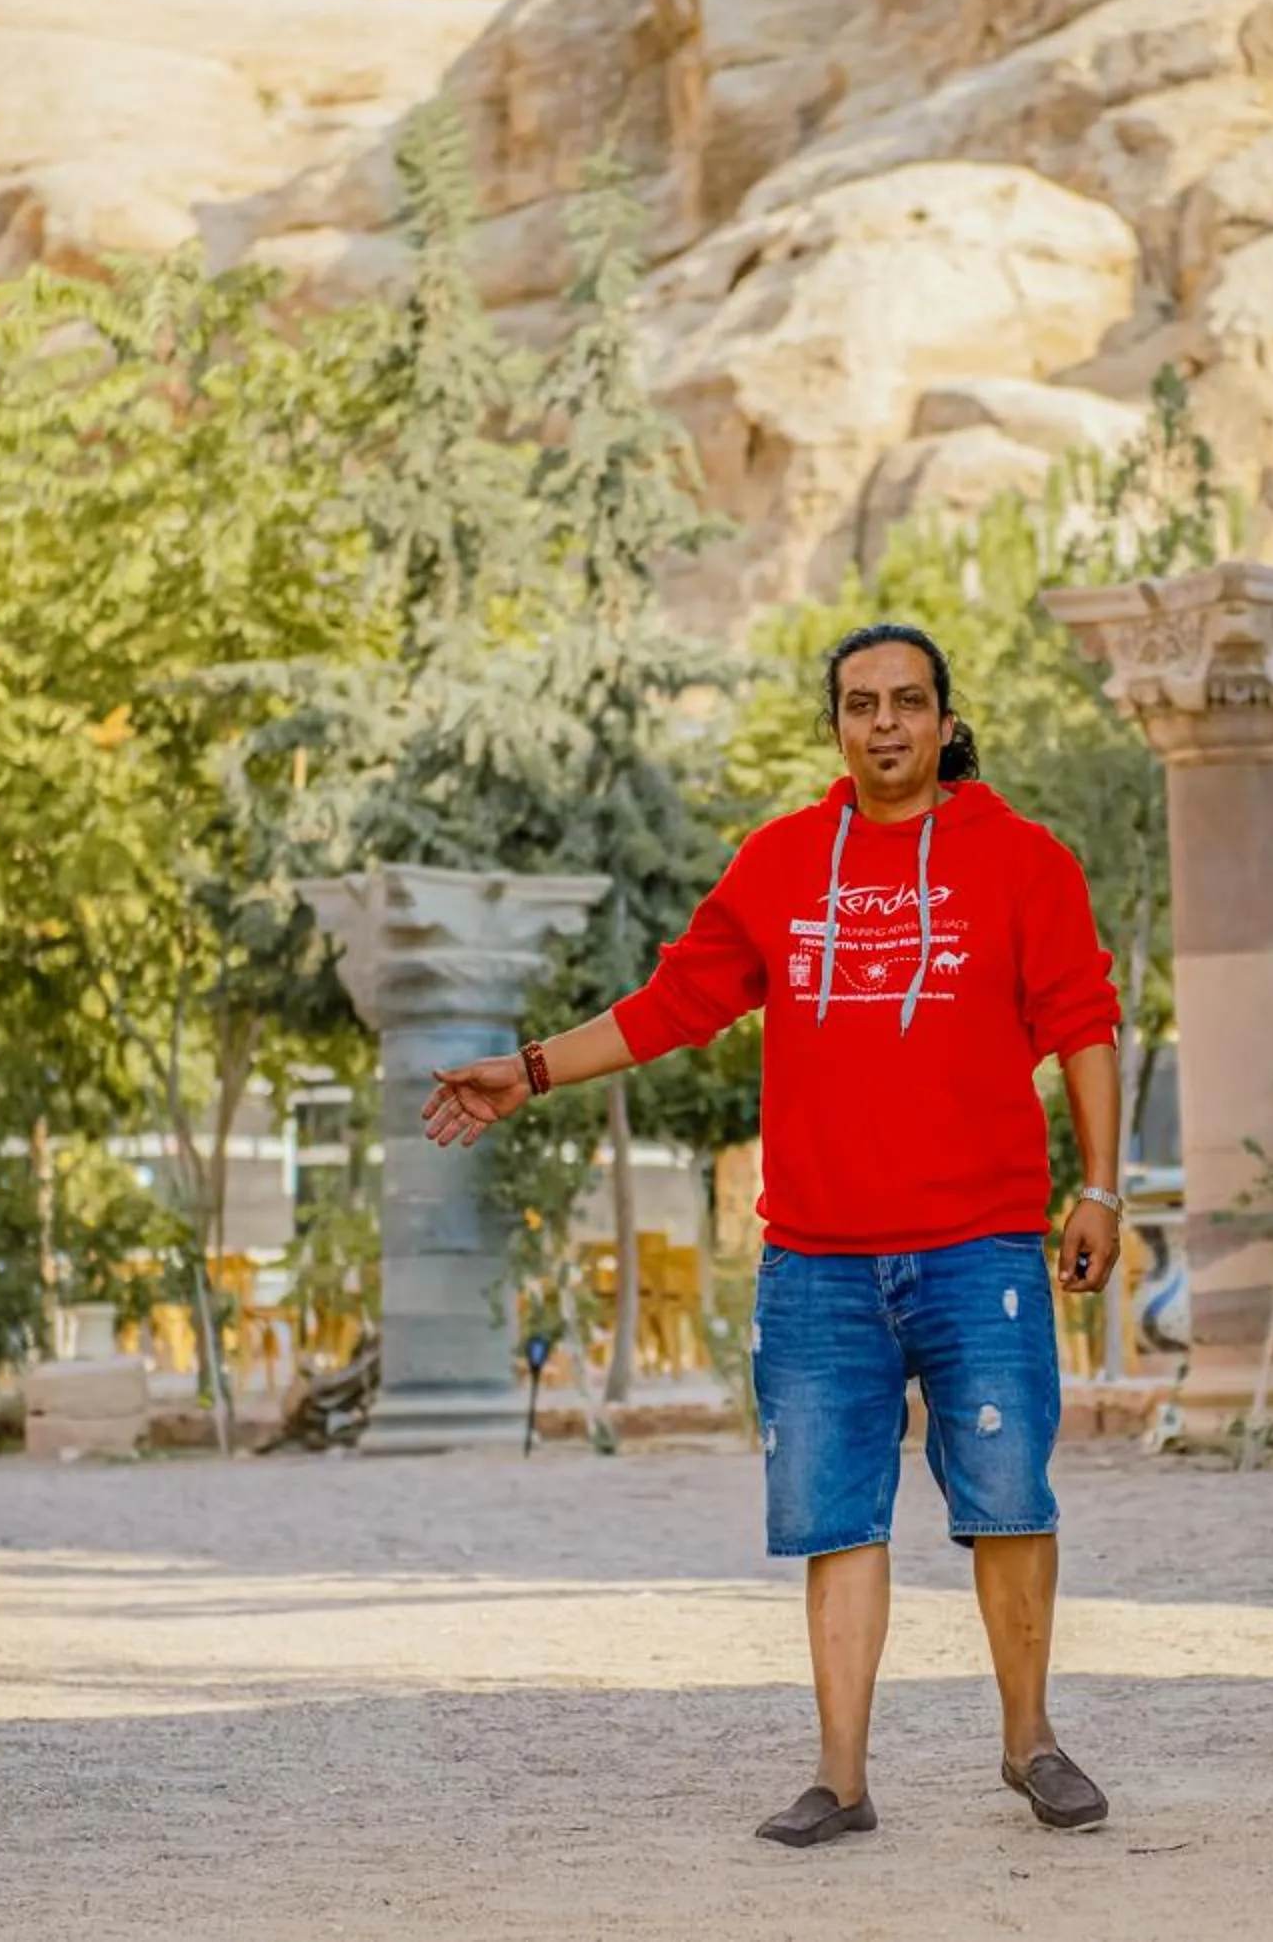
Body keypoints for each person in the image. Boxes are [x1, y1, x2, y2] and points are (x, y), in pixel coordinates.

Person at [420, 623, 1128, 1848]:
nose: (887, 724)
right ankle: (841, 1781)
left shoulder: (1025, 861)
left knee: (1011, 1499)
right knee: (834, 1518)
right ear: (838, 726)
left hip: (980, 1245)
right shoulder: (784, 862)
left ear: (947, 722)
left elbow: (1084, 1021)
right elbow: (675, 1002)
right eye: (862, 704)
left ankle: (1032, 1744)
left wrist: (1103, 1188)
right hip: (819, 1257)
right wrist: (529, 1072)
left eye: (910, 702)